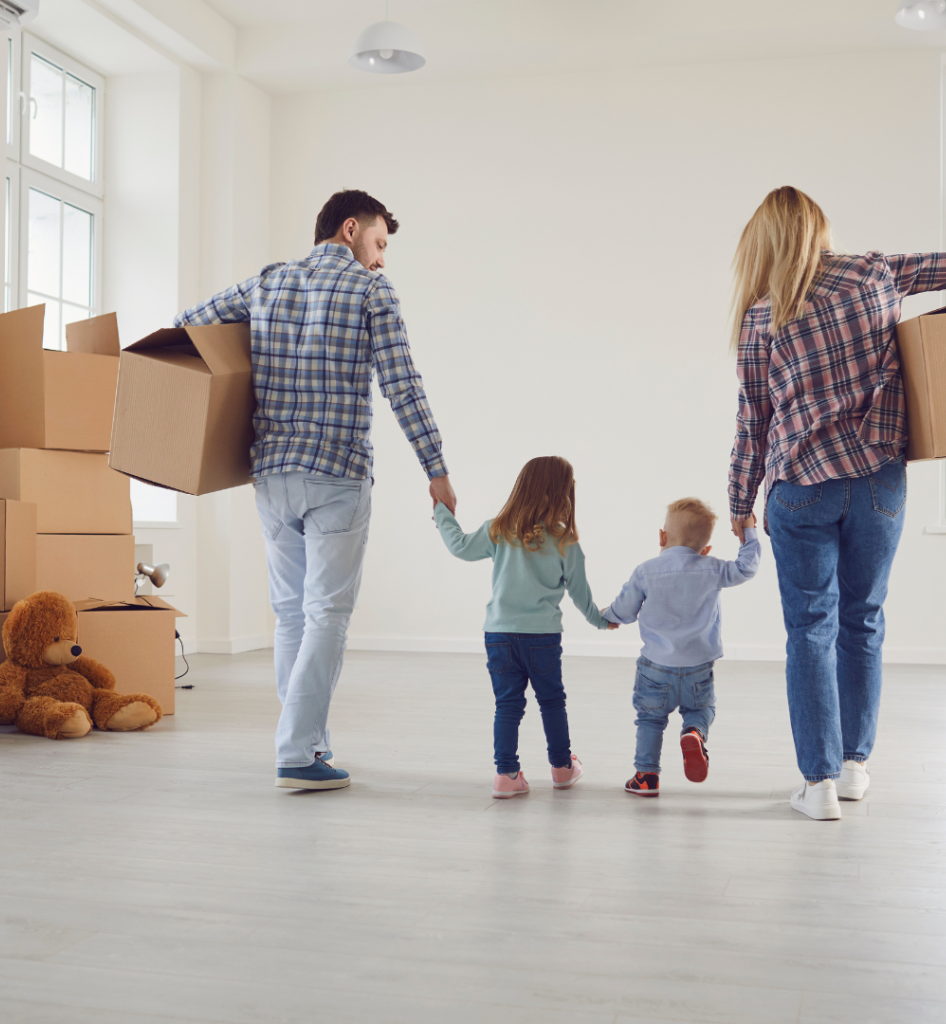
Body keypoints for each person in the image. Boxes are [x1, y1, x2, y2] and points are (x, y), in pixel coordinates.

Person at [174, 189, 456, 791]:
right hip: (336, 474)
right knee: (326, 613)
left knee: (290, 617)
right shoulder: (370, 291)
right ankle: (298, 752)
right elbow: (402, 386)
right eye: (379, 243)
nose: (381, 259)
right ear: (351, 230)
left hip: (272, 474)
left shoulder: (266, 284)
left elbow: (186, 327)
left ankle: (309, 741)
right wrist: (436, 467)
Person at [728, 185, 946, 820]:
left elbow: (753, 421)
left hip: (801, 486)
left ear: (765, 242)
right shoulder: (874, 271)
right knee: (863, 619)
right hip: (879, 482)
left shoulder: (761, 316)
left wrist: (738, 500)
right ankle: (856, 767)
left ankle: (818, 786)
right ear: (819, 229)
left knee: (810, 630)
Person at [432, 456, 616, 798]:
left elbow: (458, 546)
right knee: (552, 701)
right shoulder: (565, 542)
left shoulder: (497, 529)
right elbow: (581, 596)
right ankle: (562, 769)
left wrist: (442, 511)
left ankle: (506, 776)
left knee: (507, 704)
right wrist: (602, 621)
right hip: (542, 638)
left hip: (498, 635)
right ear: (563, 493)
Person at [602, 498, 761, 797]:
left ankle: (646, 777)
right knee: (701, 708)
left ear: (661, 537)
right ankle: (694, 732)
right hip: (699, 667)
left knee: (650, 719)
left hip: (655, 668)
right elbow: (746, 568)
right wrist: (749, 532)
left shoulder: (646, 571)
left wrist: (605, 616)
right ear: (706, 549)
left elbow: (624, 610)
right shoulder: (712, 568)